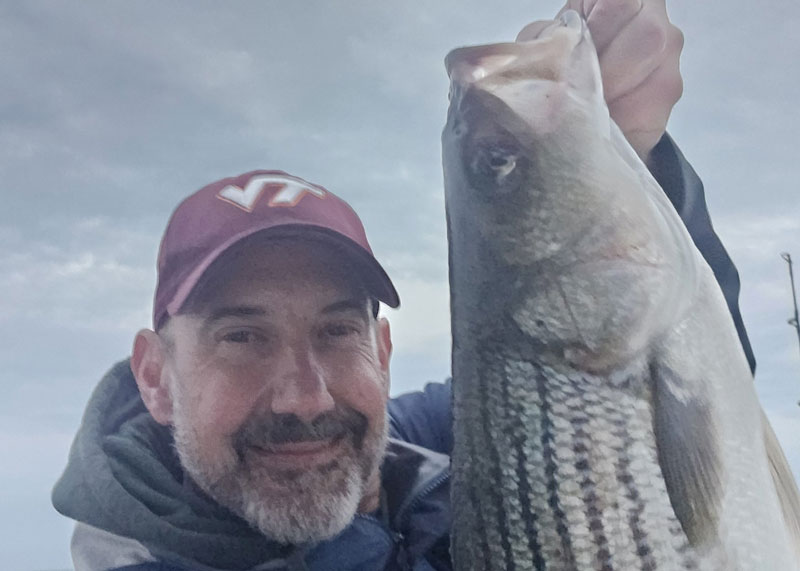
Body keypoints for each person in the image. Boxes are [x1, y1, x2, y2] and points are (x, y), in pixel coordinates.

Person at [52, 2, 755, 570]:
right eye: (242, 337)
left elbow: (692, 396)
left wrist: (633, 156)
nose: (306, 395)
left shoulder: (449, 436)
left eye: (337, 330)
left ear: (383, 352)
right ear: (156, 376)